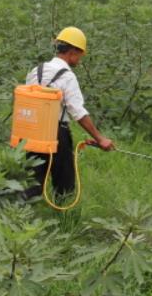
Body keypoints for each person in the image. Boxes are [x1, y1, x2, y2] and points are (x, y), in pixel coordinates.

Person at [23, 26, 114, 199]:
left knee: (33, 182)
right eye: (79, 55)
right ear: (73, 52)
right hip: (57, 134)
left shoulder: (36, 70)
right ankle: (63, 218)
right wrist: (100, 139)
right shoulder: (67, 76)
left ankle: (20, 215)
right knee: (65, 186)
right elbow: (78, 112)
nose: (79, 60)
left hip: (32, 132)